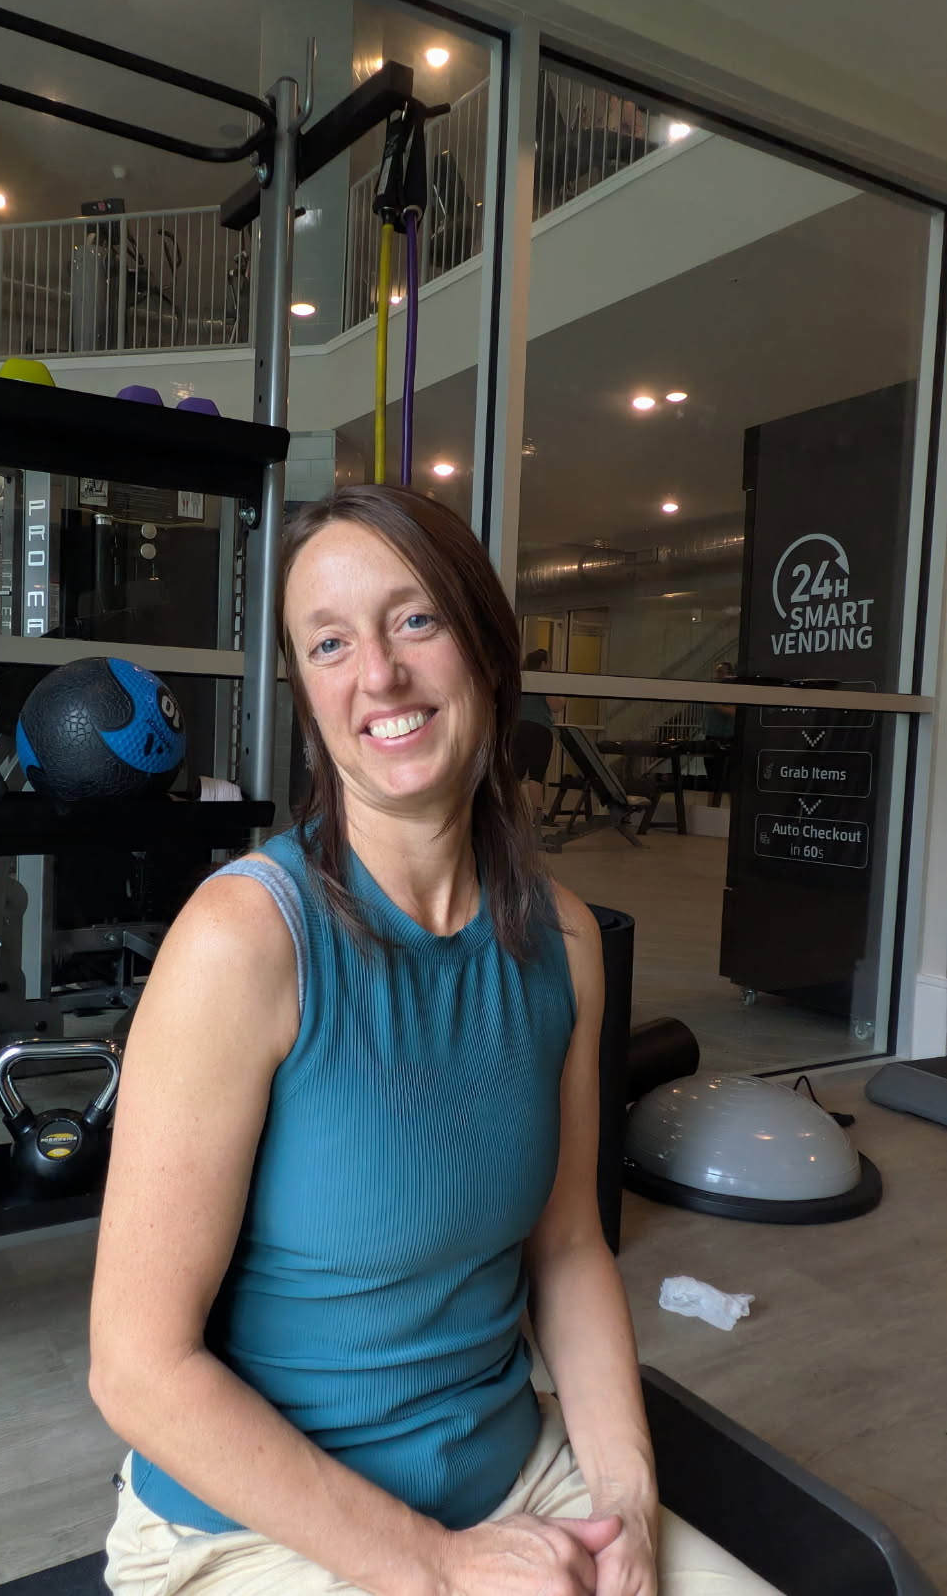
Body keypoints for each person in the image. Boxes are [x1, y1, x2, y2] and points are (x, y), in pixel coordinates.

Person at [90, 484, 781, 1596]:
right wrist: (441, 1568)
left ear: (488, 652)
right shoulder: (243, 941)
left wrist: (623, 1500)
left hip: (513, 1480)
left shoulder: (565, 942)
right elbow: (137, 1371)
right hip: (251, 1533)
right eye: (329, 643)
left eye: (414, 619)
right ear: (308, 698)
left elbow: (568, 1251)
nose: (378, 674)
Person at [514, 648, 567, 823]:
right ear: (543, 663)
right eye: (549, 662)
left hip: (517, 729)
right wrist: (562, 695)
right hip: (538, 731)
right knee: (536, 776)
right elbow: (556, 706)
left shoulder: (520, 679)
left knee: (515, 775)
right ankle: (538, 815)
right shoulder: (543, 679)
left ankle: (512, 815)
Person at [702, 662, 738, 804]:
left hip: (725, 740)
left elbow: (733, 712)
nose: (717, 675)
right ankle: (711, 809)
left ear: (729, 674)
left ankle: (734, 812)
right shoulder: (714, 691)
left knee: (726, 780)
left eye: (721, 672)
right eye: (716, 672)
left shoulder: (731, 692)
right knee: (712, 778)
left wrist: (716, 704)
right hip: (710, 738)